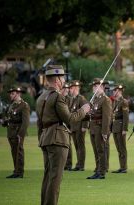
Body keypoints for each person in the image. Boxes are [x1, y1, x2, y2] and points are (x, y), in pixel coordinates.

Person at [36, 65, 90, 205]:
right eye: (63, 77)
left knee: (48, 177)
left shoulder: (41, 97)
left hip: (45, 138)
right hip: (57, 140)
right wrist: (84, 110)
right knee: (55, 179)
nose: (64, 80)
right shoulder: (58, 96)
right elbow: (70, 119)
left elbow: (41, 122)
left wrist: (83, 116)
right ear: (58, 80)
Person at [87, 78, 112, 179]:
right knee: (96, 150)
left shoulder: (105, 99)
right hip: (93, 127)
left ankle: (102, 172)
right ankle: (97, 170)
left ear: (101, 87)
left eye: (95, 86)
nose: (93, 88)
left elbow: (107, 117)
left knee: (101, 150)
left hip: (100, 128)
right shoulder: (95, 99)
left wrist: (105, 132)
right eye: (93, 86)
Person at [3, 86, 30, 178]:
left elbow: (25, 122)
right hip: (11, 132)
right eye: (10, 93)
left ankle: (19, 172)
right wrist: (4, 122)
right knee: (14, 152)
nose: (10, 95)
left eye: (12, 93)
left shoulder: (24, 105)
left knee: (19, 152)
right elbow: (9, 117)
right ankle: (16, 171)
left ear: (18, 94)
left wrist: (20, 134)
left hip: (18, 132)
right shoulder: (12, 105)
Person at [68, 80, 89, 171]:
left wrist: (84, 125)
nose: (70, 90)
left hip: (80, 126)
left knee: (81, 146)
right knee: (77, 146)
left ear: (76, 88)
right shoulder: (73, 99)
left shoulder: (81, 99)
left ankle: (81, 165)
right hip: (73, 126)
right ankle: (78, 163)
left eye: (71, 88)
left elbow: (86, 112)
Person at [111, 84, 129, 173]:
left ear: (119, 91)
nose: (113, 92)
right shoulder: (115, 102)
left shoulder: (123, 102)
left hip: (120, 127)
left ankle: (124, 167)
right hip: (115, 127)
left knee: (122, 147)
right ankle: (121, 166)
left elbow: (126, 117)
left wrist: (124, 129)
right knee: (119, 148)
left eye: (115, 90)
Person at [61, 83, 73, 171]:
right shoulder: (60, 98)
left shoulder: (70, 99)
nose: (66, 90)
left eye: (67, 88)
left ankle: (68, 164)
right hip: (61, 124)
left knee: (68, 145)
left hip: (69, 124)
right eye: (64, 88)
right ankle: (63, 164)